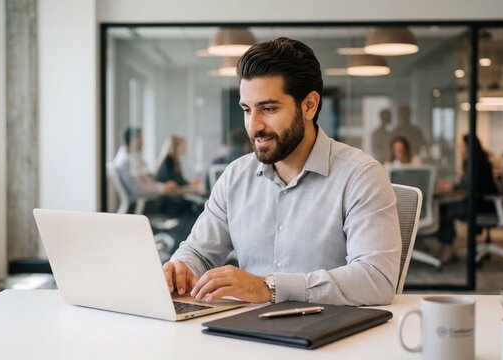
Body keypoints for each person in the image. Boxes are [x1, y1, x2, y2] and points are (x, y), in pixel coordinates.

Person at [163, 37, 401, 306]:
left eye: (268, 108)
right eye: (246, 109)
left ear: (309, 105)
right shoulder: (235, 177)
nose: (254, 126)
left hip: (332, 336)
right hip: (248, 332)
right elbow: (199, 252)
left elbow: (376, 279)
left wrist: (269, 288)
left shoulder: (361, 176)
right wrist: (180, 268)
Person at [435, 134, 498, 263]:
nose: (459, 148)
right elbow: (466, 186)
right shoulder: (476, 161)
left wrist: (451, 187)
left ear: (469, 147)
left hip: (481, 205)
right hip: (481, 202)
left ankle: (447, 249)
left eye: (461, 145)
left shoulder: (475, 163)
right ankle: (446, 247)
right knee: (444, 207)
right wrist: (452, 186)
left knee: (444, 209)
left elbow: (468, 187)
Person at [113, 128, 180, 208]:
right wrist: (163, 188)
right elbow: (138, 189)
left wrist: (163, 187)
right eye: (141, 139)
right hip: (141, 204)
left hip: (146, 200)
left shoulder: (130, 158)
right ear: (134, 140)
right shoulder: (125, 161)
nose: (143, 142)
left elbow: (145, 182)